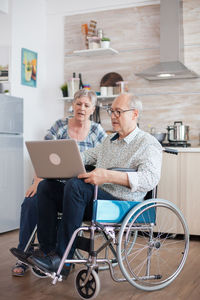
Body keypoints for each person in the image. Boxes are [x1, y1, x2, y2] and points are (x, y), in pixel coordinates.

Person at [17, 93, 163, 278]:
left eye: (118, 112)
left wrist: (108, 175)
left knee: (76, 186)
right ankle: (47, 252)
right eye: (111, 111)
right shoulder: (109, 141)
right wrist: (62, 157)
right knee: (47, 186)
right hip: (95, 198)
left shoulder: (148, 143)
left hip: (121, 203)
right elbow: (85, 157)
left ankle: (62, 258)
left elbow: (149, 179)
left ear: (134, 114)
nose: (113, 116)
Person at [10, 88, 107, 276]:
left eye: (86, 105)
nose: (82, 108)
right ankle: (25, 255)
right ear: (72, 104)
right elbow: (42, 156)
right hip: (51, 180)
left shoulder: (97, 132)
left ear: (93, 109)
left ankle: (56, 255)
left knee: (66, 197)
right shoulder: (59, 126)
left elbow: (103, 162)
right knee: (30, 202)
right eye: (78, 103)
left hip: (77, 186)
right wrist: (36, 182)